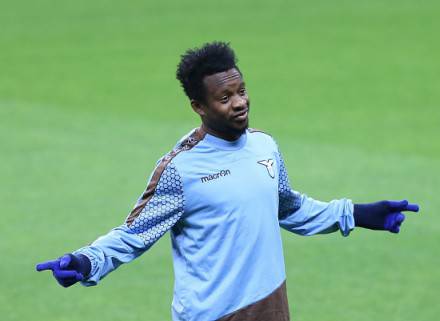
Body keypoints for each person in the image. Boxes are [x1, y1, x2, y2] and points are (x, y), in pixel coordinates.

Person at [36, 42, 420, 321]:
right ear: (199, 107)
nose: (239, 103)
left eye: (241, 91)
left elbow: (288, 207)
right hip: (212, 314)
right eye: (224, 97)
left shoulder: (264, 146)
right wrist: (88, 260)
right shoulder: (180, 169)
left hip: (271, 306)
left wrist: (357, 214)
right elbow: (135, 233)